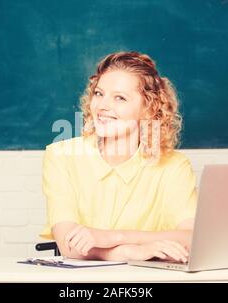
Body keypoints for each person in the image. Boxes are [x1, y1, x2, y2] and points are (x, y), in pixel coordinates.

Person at [39, 51, 198, 262]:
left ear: (149, 109)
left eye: (120, 98)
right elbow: (68, 245)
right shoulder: (61, 156)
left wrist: (113, 237)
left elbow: (193, 237)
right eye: (99, 93)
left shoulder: (174, 166)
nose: (103, 106)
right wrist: (128, 252)